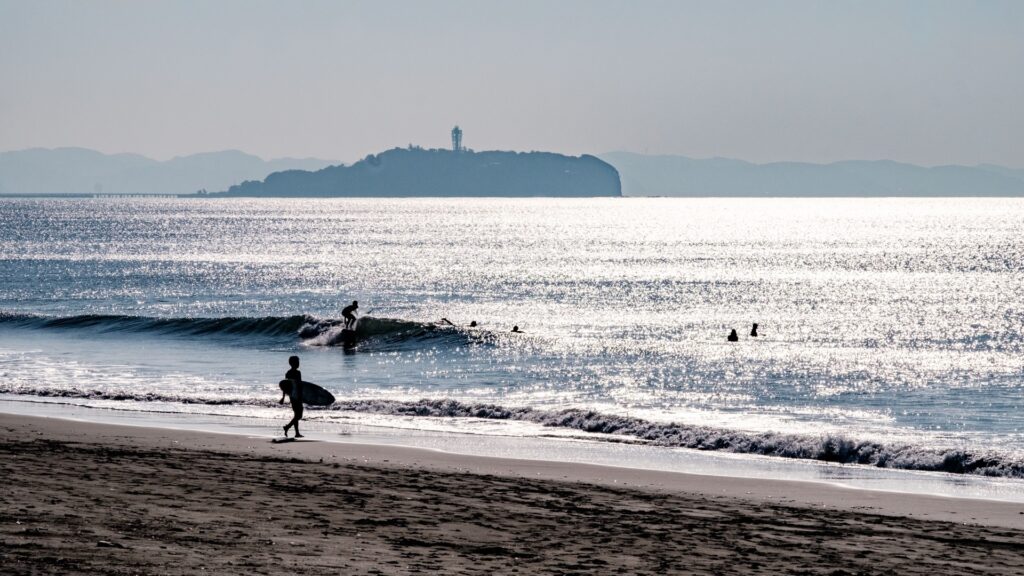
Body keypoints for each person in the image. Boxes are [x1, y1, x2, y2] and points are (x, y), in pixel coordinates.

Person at [280, 355, 304, 438]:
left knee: (296, 414)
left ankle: (296, 433)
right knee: (299, 415)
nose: (298, 364)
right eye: (297, 362)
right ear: (292, 363)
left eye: (298, 362)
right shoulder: (297, 373)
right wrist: (302, 395)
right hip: (297, 396)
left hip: (292, 396)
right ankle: (287, 427)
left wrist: (283, 397)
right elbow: (299, 385)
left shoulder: (288, 373)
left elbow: (285, 387)